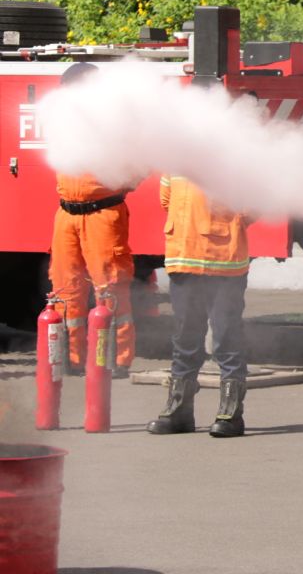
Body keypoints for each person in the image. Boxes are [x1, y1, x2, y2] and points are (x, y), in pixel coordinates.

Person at [49, 62, 137, 377]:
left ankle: (116, 359)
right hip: (67, 214)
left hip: (103, 213)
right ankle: (71, 359)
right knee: (65, 289)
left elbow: (137, 165)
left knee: (110, 287)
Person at [146, 175, 251, 438]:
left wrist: (229, 222)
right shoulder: (177, 154)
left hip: (223, 259)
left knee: (226, 337)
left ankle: (230, 414)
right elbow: (166, 200)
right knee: (185, 337)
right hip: (183, 257)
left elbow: (253, 204)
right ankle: (179, 412)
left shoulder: (236, 154)